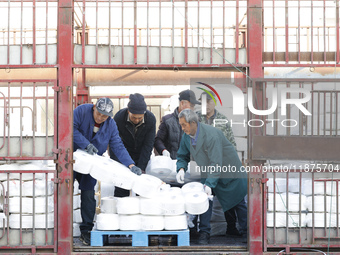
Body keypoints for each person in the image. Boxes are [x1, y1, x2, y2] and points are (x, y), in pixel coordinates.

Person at [73, 97, 142, 245]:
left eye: (105, 116)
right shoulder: (80, 112)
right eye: (99, 114)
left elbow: (117, 145)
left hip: (93, 164)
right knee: (64, 193)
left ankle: (86, 231)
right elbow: (70, 128)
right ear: (94, 107)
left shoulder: (111, 125)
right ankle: (63, 230)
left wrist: (130, 165)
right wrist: (85, 144)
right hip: (72, 159)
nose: (101, 117)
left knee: (88, 195)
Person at [176, 109, 247, 245]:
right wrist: (181, 168)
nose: (182, 128)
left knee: (237, 200)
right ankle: (204, 233)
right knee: (205, 199)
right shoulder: (187, 136)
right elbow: (182, 155)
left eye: (184, 125)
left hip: (228, 170)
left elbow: (216, 162)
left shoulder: (211, 135)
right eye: (181, 125)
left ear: (193, 123)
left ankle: (246, 232)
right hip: (209, 170)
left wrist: (210, 183)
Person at [197, 90, 242, 239]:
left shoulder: (223, 120)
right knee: (205, 198)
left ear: (213, 102)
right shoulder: (196, 119)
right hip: (204, 166)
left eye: (209, 102)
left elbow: (231, 143)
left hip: (223, 165)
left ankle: (231, 227)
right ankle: (204, 231)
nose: (206, 106)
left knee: (229, 196)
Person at [109, 93, 156, 197]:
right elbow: (115, 143)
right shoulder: (119, 117)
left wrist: (141, 167)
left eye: (140, 117)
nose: (137, 120)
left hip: (140, 154)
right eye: (134, 117)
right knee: (122, 186)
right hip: (123, 154)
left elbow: (148, 145)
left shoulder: (150, 119)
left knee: (141, 187)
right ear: (128, 111)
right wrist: (119, 165)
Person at [154, 89, 201, 159]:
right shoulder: (167, 121)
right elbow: (158, 140)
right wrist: (163, 150)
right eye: (191, 105)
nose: (192, 109)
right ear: (182, 103)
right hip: (171, 162)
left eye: (193, 106)